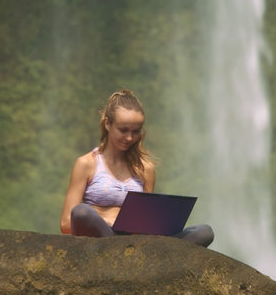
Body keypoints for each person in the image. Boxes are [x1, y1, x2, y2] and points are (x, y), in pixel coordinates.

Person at [60, 89, 213, 247]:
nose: (129, 138)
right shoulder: (86, 164)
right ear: (107, 123)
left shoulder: (145, 169)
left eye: (136, 132)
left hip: (136, 241)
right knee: (82, 212)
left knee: (204, 232)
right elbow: (66, 223)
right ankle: (126, 250)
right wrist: (111, 223)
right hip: (101, 239)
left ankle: (137, 253)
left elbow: (147, 221)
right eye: (123, 130)